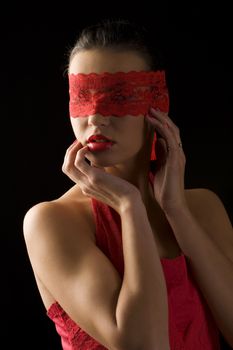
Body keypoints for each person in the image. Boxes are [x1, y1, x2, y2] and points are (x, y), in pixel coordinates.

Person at [23, 18, 233, 350]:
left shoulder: (203, 209)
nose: (95, 117)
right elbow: (143, 344)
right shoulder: (52, 222)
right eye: (81, 97)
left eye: (118, 97)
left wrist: (177, 213)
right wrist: (129, 205)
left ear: (157, 104)